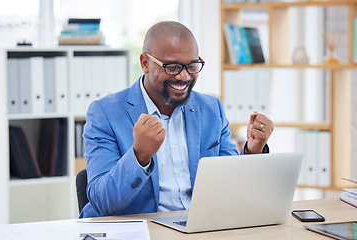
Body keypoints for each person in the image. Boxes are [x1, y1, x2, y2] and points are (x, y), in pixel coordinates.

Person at [79, 21, 274, 218]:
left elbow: (230, 188)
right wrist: (139, 156)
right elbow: (101, 202)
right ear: (145, 63)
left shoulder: (211, 109)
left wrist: (252, 151)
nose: (183, 76)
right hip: (137, 231)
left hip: (198, 227)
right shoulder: (105, 113)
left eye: (192, 66)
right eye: (172, 67)